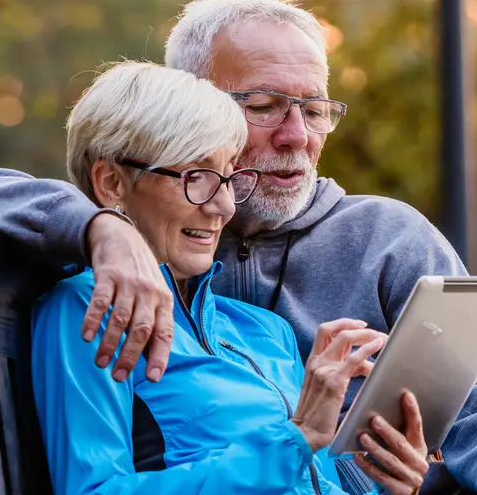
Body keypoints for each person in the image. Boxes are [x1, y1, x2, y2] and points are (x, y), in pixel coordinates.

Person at [0, 0, 477, 495]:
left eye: (314, 109)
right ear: (190, 104)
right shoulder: (112, 276)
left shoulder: (355, 259)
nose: (296, 136)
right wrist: (101, 230)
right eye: (263, 106)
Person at [34, 60, 429, 494]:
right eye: (197, 176)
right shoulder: (87, 309)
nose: (223, 206)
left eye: (228, 178)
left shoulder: (262, 330)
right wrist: (294, 441)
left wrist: (391, 487)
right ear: (112, 183)